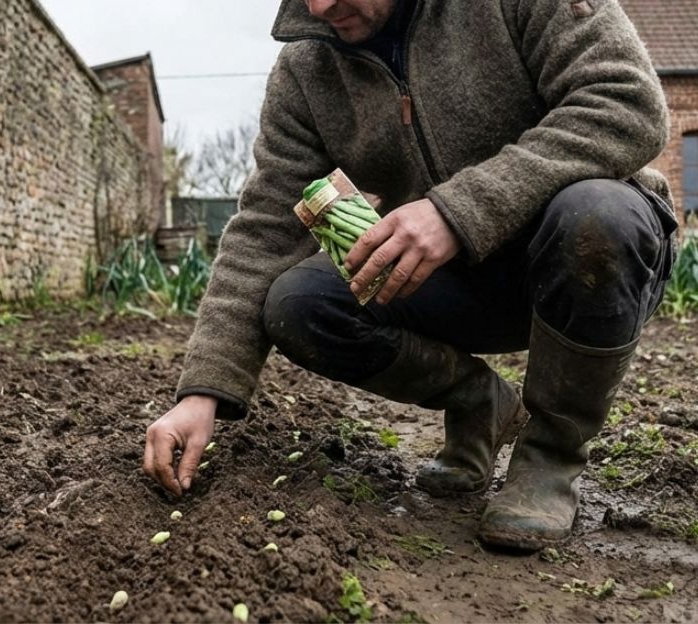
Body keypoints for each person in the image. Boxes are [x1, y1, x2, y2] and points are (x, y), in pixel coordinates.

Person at [142, 0, 677, 551]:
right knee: (299, 302)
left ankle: (550, 456)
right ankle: (480, 401)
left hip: (587, 264)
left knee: (598, 214)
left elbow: (627, 103)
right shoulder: (308, 68)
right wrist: (203, 392)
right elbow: (266, 228)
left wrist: (457, 211)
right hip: (457, 282)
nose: (321, 7)